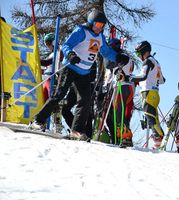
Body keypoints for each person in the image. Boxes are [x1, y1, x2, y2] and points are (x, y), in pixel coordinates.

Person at [30, 10, 128, 140]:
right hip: (70, 68)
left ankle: (76, 130)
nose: (100, 28)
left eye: (102, 26)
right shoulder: (81, 31)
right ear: (91, 22)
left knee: (85, 101)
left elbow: (106, 51)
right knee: (59, 95)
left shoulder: (100, 37)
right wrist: (71, 55)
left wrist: (118, 58)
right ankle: (38, 120)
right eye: (98, 25)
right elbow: (66, 45)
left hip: (84, 73)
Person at [117, 40, 165, 149]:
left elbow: (143, 76)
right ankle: (158, 143)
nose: (138, 56)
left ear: (145, 52)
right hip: (153, 93)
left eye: (139, 53)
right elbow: (162, 80)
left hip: (149, 93)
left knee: (150, 117)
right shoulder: (155, 62)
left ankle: (160, 137)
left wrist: (128, 77)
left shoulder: (148, 61)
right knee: (152, 117)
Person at [103, 38, 135, 146]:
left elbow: (108, 65)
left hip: (121, 86)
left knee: (119, 113)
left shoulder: (120, 56)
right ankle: (121, 138)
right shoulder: (126, 56)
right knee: (119, 113)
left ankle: (125, 138)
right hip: (127, 86)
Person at [40, 32, 64, 101]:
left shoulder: (59, 51)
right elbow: (48, 67)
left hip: (52, 79)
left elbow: (47, 62)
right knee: (43, 101)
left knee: (50, 97)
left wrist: (36, 59)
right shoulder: (52, 54)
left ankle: (54, 104)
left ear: (53, 42)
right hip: (45, 79)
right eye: (46, 44)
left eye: (48, 43)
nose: (47, 46)